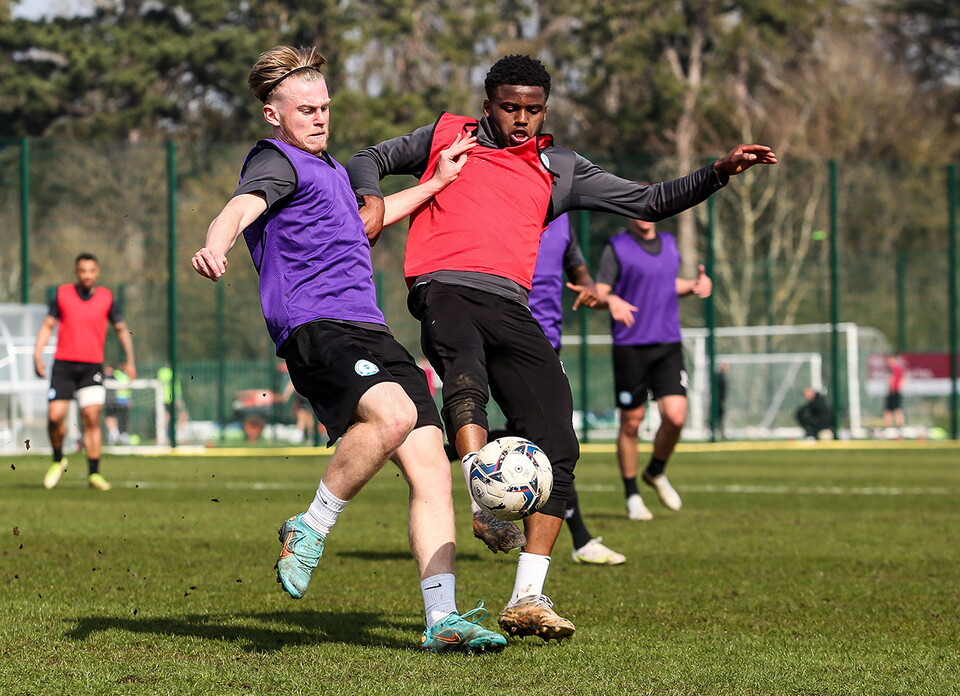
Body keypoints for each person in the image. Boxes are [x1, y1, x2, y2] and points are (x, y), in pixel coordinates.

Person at [347, 53, 776, 641]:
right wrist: (370, 197)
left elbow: (650, 201)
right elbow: (368, 157)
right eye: (510, 107)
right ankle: (487, 495)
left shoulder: (561, 167)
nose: (521, 119)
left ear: (544, 109)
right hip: (443, 286)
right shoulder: (447, 135)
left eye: (533, 109)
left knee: (560, 443)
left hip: (511, 305)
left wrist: (719, 171)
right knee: (464, 376)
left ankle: (527, 598)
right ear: (487, 104)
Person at [190, 45, 505, 653]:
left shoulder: (332, 172)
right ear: (273, 115)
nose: (318, 118)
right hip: (316, 328)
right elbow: (241, 206)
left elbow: (371, 221)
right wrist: (216, 244)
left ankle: (442, 618)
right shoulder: (277, 162)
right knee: (391, 416)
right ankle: (310, 527)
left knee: (431, 468)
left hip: (370, 329)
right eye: (305, 109)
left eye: (325, 108)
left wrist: (437, 183)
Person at [521, 213, 626, 565]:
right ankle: (580, 539)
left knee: (546, 437)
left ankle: (433, 449)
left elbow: (579, 273)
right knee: (554, 438)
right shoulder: (507, 204)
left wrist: (593, 291)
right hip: (508, 335)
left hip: (549, 342)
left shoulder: (563, 221)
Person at [594, 216, 712, 521]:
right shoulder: (617, 248)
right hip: (630, 345)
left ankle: (655, 471)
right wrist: (613, 300)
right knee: (632, 423)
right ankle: (632, 494)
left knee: (675, 416)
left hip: (668, 343)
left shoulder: (671, 245)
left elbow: (666, 284)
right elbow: (599, 290)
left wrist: (695, 285)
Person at [33, 252, 137, 491]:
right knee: (54, 416)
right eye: (82, 271)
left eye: (91, 271)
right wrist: (37, 355)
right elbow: (48, 325)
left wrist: (130, 359)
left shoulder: (107, 298)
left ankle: (94, 474)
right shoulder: (62, 294)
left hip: (91, 366)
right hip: (63, 365)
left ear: (96, 272)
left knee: (91, 418)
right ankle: (58, 459)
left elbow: (121, 329)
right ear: (76, 272)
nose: (87, 275)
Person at [104, 362, 133, 445]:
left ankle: (119, 435)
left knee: (120, 418)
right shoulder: (115, 375)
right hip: (114, 400)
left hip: (117, 400)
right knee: (111, 417)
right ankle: (114, 435)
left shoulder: (117, 376)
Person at [881, 354, 906, 436]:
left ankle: (895, 428)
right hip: (896, 392)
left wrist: (892, 387)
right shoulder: (898, 369)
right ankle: (890, 428)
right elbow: (904, 378)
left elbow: (891, 379)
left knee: (895, 410)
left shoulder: (892, 369)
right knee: (890, 410)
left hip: (893, 392)